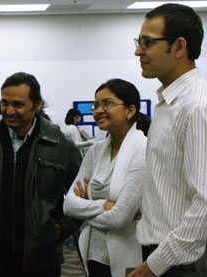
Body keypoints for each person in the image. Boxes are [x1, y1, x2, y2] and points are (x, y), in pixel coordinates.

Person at [0, 72, 82, 277]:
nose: (10, 111)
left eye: (18, 104)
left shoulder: (60, 145)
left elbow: (82, 191)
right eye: (5, 103)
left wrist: (66, 226)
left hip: (42, 260)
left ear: (38, 104)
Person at [130, 4, 207, 277]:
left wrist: (156, 264)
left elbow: (204, 202)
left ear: (179, 47)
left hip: (181, 263)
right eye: (139, 42)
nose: (139, 51)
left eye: (147, 42)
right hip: (163, 254)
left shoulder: (196, 107)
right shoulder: (167, 105)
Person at [64, 79, 150, 277]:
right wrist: (105, 206)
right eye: (96, 105)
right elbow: (68, 205)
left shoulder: (142, 148)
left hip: (126, 256)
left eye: (107, 104)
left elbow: (120, 219)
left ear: (130, 110)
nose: (98, 110)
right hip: (93, 254)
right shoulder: (96, 150)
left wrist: (86, 210)